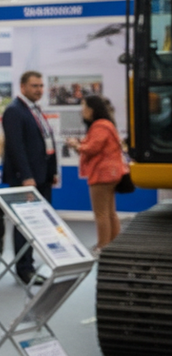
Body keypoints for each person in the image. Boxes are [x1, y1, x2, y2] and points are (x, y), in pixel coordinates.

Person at [2, 70, 60, 285]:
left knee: (37, 224)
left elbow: (46, 143)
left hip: (41, 177)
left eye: (41, 86)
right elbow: (16, 148)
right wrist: (26, 176)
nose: (39, 90)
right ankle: (23, 269)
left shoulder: (34, 110)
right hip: (26, 179)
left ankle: (30, 264)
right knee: (24, 224)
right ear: (23, 87)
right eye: (35, 86)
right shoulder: (14, 111)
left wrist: (51, 172)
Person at [66, 95, 126, 252]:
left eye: (84, 107)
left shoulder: (100, 126)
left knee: (101, 214)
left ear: (91, 109)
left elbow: (92, 148)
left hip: (101, 174)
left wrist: (75, 145)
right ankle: (113, 245)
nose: (82, 111)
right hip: (111, 174)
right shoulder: (107, 125)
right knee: (110, 212)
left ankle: (103, 246)